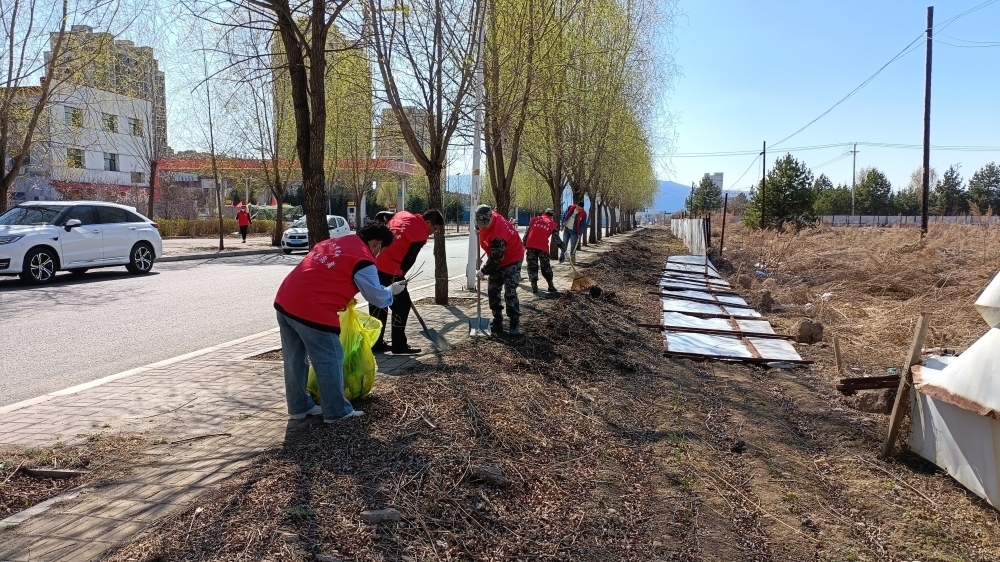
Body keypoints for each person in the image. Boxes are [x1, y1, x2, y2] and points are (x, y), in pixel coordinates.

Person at [273, 222, 407, 423]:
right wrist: (391, 291)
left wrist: (341, 297)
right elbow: (376, 297)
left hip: (285, 300)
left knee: (294, 359)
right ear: (377, 244)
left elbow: (325, 275)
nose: (379, 253)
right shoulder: (363, 258)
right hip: (312, 310)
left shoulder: (336, 241)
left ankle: (298, 407)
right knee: (330, 358)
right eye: (381, 249)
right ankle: (337, 411)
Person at [369, 209, 445, 354]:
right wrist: (401, 277)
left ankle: (376, 343)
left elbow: (381, 216)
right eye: (434, 229)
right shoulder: (419, 235)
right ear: (428, 222)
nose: (433, 232)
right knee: (402, 306)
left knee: (379, 304)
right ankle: (399, 345)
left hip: (375, 264)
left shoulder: (403, 214)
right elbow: (409, 260)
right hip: (391, 269)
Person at [474, 204, 525, 336]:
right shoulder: (487, 217)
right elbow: (494, 254)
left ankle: (514, 323)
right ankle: (498, 322)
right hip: (497, 257)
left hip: (512, 258)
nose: (482, 226)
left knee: (510, 291)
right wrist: (478, 229)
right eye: (480, 223)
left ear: (491, 218)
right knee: (493, 289)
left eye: (485, 223)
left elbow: (497, 257)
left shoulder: (498, 233)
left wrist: (483, 271)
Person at [523, 208, 565, 294]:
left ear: (544, 213)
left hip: (530, 245)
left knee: (532, 266)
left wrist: (524, 244)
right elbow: (556, 238)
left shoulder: (534, 219)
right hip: (543, 247)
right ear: (552, 217)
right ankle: (551, 285)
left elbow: (527, 233)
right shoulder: (551, 224)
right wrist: (564, 248)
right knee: (545, 267)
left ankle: (534, 286)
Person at [559, 200, 588, 265]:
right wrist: (562, 225)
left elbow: (583, 225)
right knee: (564, 244)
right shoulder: (570, 207)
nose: (579, 210)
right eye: (579, 209)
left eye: (581, 209)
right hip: (566, 229)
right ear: (576, 206)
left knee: (573, 246)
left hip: (574, 232)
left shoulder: (584, 214)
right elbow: (565, 216)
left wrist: (580, 233)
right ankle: (562, 257)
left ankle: (572, 260)